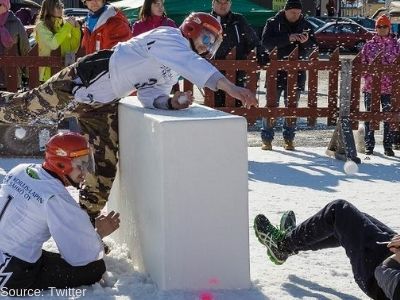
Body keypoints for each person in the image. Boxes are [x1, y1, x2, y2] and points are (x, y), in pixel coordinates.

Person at [0, 12, 258, 222]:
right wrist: (230, 87)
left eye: (212, 43)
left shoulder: (172, 68)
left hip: (103, 104)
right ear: (191, 28)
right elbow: (195, 66)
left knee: (103, 168)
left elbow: (150, 96)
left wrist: (171, 103)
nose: (207, 46)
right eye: (206, 37)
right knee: (19, 111)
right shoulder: (169, 37)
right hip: (81, 82)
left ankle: (84, 224)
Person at [0, 132, 120, 291]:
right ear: (62, 164)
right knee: (95, 269)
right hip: (12, 275)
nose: (85, 172)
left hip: (5, 255)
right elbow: (83, 255)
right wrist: (99, 234)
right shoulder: (56, 198)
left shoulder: (20, 169)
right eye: (80, 165)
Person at [254, 199, 400, 300]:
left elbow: (384, 274)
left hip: (377, 276)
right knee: (351, 223)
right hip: (390, 262)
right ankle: (293, 241)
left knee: (338, 212)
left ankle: (282, 245)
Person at [259, 0, 316, 151]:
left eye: (298, 13)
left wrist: (306, 42)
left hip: (297, 71)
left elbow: (314, 48)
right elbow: (265, 43)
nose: (295, 16)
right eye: (292, 13)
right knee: (271, 105)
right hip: (276, 70)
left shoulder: (306, 25)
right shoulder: (273, 23)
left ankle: (289, 139)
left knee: (292, 107)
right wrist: (288, 38)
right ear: (285, 10)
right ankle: (267, 138)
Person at [361, 15, 399, 157]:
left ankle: (388, 146)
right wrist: (368, 77)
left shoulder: (396, 45)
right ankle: (369, 145)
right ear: (375, 28)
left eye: (384, 26)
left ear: (389, 27)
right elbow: (362, 64)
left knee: (388, 117)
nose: (382, 29)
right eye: (379, 26)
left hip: (390, 89)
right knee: (370, 116)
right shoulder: (369, 45)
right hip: (371, 87)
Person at [211, 0, 260, 107]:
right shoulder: (208, 20)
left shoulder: (238, 20)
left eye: (226, 3)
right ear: (213, 3)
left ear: (230, 4)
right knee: (215, 106)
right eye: (219, 2)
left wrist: (260, 52)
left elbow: (252, 40)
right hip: (213, 71)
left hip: (237, 71)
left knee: (236, 105)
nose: (223, 5)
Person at [34, 0, 81, 82]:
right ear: (49, 8)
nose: (61, 9)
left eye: (62, 6)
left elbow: (73, 49)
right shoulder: (41, 26)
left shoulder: (64, 25)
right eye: (57, 6)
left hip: (65, 72)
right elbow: (53, 44)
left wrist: (75, 30)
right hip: (47, 74)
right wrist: (68, 26)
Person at [0, 0, 29, 89]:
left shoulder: (16, 22)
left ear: (5, 5)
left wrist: (27, 74)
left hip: (11, 75)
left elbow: (24, 49)